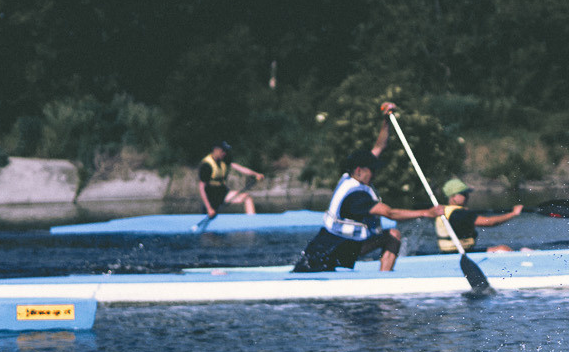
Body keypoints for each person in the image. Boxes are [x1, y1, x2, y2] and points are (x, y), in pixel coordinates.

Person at [292, 105, 443, 273]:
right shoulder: (356, 196)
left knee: (393, 235)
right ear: (359, 170)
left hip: (345, 245)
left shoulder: (351, 176)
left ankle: (384, 281)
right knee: (391, 234)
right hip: (326, 254)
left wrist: (386, 121)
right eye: (373, 170)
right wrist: (426, 213)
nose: (376, 174)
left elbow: (379, 146)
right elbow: (390, 213)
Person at [435, 177, 523, 254]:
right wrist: (513, 213)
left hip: (453, 251)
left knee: (502, 248)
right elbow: (489, 222)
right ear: (453, 196)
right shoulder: (459, 213)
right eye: (464, 194)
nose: (467, 197)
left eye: (467, 194)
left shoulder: (445, 210)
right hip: (460, 253)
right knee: (503, 249)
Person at [197, 142, 263, 217]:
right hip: (211, 198)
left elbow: (240, 168)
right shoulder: (206, 165)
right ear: (216, 150)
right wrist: (209, 208)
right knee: (209, 212)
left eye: (225, 151)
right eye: (223, 151)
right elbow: (202, 188)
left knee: (247, 197)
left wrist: (256, 174)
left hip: (223, 194)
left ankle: (252, 223)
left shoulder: (224, 160)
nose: (224, 153)